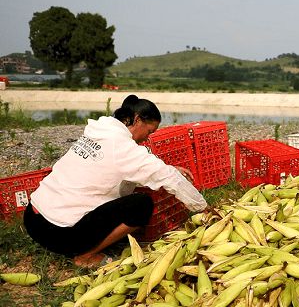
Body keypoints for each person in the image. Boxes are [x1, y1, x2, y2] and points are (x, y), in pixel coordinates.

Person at [23, 95, 207, 267]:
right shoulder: (124, 147)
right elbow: (169, 179)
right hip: (59, 234)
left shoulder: (99, 132)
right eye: (149, 131)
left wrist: (168, 168)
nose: (147, 138)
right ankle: (86, 256)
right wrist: (202, 208)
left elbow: (124, 166)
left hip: (33, 218)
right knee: (141, 204)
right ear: (136, 120)